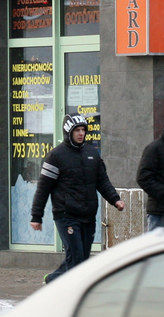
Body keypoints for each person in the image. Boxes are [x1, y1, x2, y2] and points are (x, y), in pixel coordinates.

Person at [30, 114, 125, 284]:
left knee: (79, 258)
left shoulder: (92, 153)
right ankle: (72, 295)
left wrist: (115, 199)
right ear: (68, 132)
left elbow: (102, 181)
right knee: (77, 260)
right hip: (66, 215)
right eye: (77, 131)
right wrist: (36, 216)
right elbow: (43, 189)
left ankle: (53, 279)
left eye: (83, 130)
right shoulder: (56, 156)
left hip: (88, 215)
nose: (81, 134)